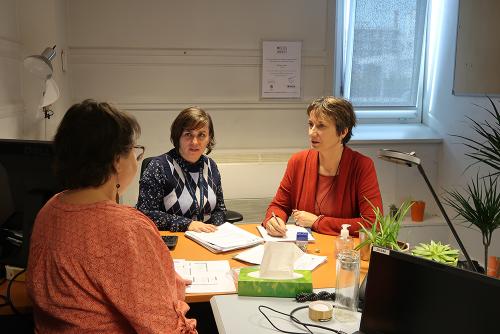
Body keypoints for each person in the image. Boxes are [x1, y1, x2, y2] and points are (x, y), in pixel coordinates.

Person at [26, 100, 197, 333]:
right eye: (134, 151)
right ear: (117, 160)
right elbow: (164, 327)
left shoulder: (49, 209)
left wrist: (164, 278)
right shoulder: (128, 227)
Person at [263, 96, 382, 237]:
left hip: (341, 252)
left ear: (343, 132)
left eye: (321, 126)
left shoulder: (362, 166)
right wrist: (273, 219)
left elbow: (374, 224)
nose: (311, 132)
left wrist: (317, 222)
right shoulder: (298, 161)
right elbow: (279, 206)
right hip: (304, 251)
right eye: (310, 124)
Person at [137, 106, 226, 232]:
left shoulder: (211, 166)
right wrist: (187, 224)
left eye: (201, 135)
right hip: (173, 242)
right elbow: (145, 214)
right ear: (178, 136)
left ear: (209, 138)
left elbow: (219, 210)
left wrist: (218, 232)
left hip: (208, 242)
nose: (195, 142)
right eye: (188, 134)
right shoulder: (159, 167)